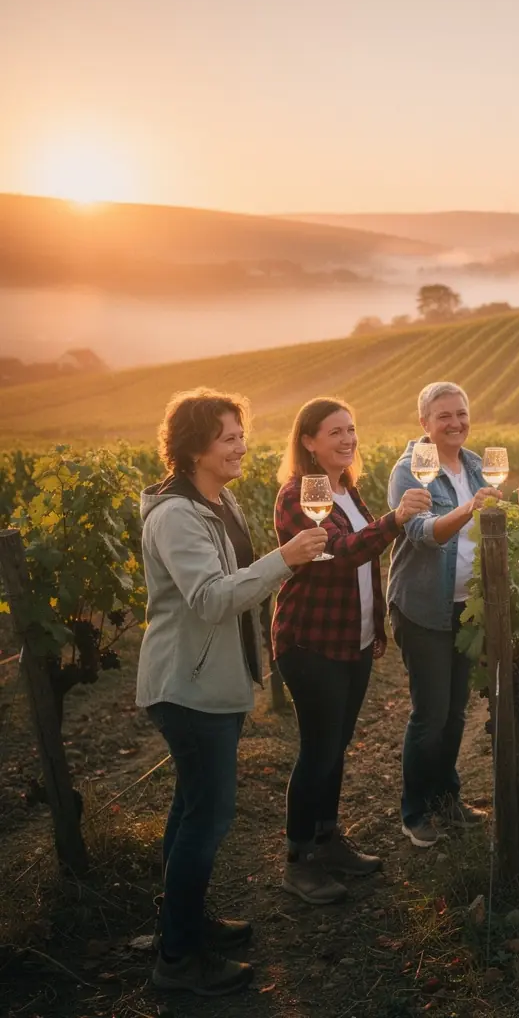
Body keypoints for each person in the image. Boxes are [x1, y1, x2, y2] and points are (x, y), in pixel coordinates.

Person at [137, 388, 327, 996]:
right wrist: (284, 560)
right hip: (187, 687)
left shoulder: (220, 502)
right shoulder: (175, 516)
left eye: (242, 435)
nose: (242, 446)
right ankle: (177, 960)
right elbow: (210, 598)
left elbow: (238, 584)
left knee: (190, 809)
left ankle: (184, 923)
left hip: (212, 681)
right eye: (229, 438)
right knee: (208, 817)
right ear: (195, 448)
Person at [273, 398, 431, 903]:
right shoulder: (297, 494)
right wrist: (395, 519)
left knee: (335, 745)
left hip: (352, 639)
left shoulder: (347, 490)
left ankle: (327, 839)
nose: (347, 439)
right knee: (318, 749)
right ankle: (298, 861)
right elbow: (339, 553)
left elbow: (363, 556)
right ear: (308, 441)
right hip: (310, 641)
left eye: (351, 429)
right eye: (334, 431)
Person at [387, 382, 498, 848]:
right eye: (444, 416)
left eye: (461, 413)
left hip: (466, 607)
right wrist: (471, 508)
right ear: (424, 423)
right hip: (423, 606)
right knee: (430, 714)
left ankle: (446, 797)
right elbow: (422, 533)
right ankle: (415, 811)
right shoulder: (410, 469)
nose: (455, 423)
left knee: (454, 713)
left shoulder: (474, 464)